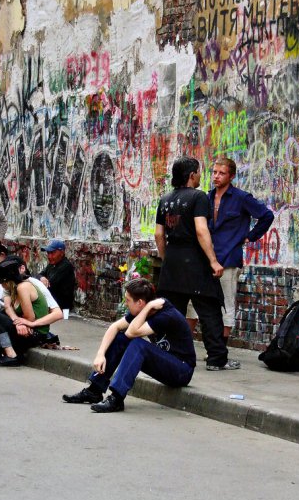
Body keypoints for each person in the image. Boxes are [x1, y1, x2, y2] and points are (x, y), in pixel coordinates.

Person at [62, 278, 195, 413]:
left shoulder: (166, 315)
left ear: (140, 303)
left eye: (128, 300)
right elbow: (115, 327)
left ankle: (117, 398)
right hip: (164, 362)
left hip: (182, 370)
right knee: (120, 338)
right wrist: (100, 354)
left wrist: (147, 307)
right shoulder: (142, 310)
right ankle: (94, 391)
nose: (125, 304)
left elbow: (132, 332)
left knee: (138, 343)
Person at [155, 156, 237, 371]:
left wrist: (167, 260)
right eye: (199, 172)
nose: (201, 176)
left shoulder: (165, 199)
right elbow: (201, 230)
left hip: (172, 261)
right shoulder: (198, 197)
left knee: (172, 312)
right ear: (192, 175)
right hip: (194, 261)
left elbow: (158, 234)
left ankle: (171, 354)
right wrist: (213, 261)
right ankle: (216, 359)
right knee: (209, 310)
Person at [205, 156, 274, 341]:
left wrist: (250, 236)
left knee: (226, 304)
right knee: (205, 304)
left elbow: (267, 216)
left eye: (222, 173)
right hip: (209, 258)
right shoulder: (207, 197)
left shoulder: (241, 198)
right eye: (214, 172)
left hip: (229, 257)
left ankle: (221, 347)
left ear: (231, 176)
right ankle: (212, 345)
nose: (217, 176)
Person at [0, 256, 63, 367]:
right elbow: (7, 307)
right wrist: (17, 321)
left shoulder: (24, 287)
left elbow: (29, 318)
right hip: (25, 326)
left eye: (3, 282)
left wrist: (24, 323)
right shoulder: (12, 289)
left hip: (34, 332)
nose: (2, 285)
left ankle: (11, 355)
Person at [37, 238, 75, 318]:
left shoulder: (66, 266)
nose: (49, 256)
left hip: (61, 307)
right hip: (52, 303)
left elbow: (50, 284)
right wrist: (42, 278)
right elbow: (39, 275)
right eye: (48, 253)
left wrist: (42, 280)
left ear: (61, 253)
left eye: (52, 253)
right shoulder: (52, 264)